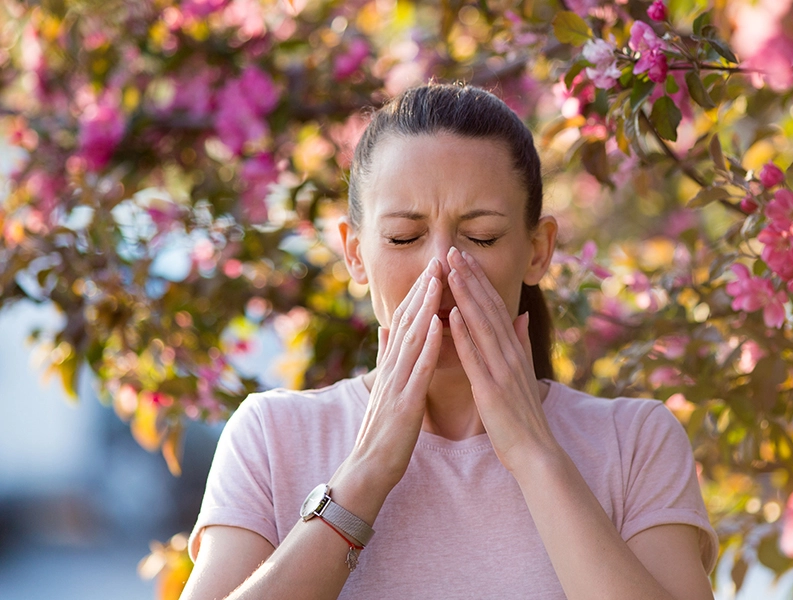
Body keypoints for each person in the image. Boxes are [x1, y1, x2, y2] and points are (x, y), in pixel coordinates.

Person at [180, 83, 718, 600]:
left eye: (480, 236)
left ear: (537, 249)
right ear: (355, 253)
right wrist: (364, 475)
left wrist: (534, 455)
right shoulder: (271, 438)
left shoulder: (635, 443)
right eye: (403, 238)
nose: (440, 266)